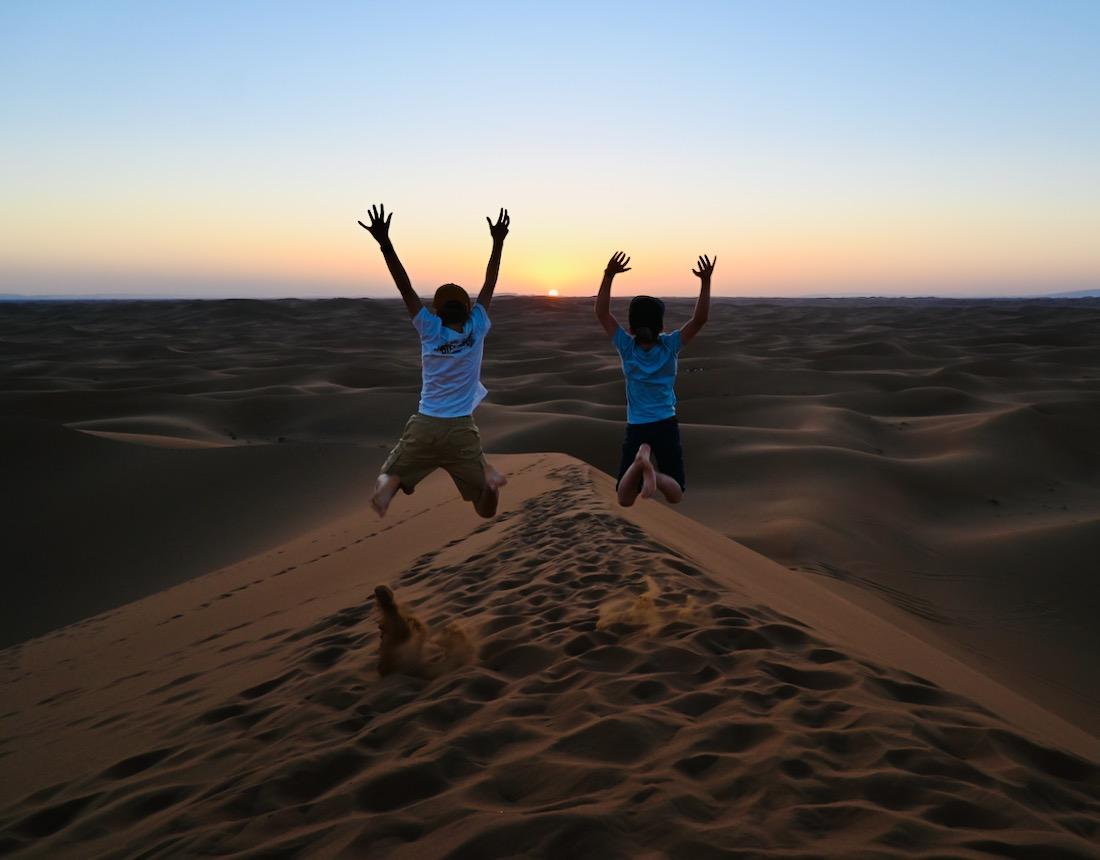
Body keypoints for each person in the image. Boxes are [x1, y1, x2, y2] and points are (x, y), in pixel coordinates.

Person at [359, 203, 510, 518]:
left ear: (437, 311)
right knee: (485, 510)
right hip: (461, 430)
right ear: (467, 309)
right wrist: (498, 243)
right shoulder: (477, 326)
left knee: (387, 476)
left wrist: (385, 243)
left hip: (425, 425)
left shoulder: (429, 328)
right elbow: (489, 284)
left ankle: (390, 485)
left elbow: (405, 287)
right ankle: (487, 484)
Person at [594, 250, 715, 506]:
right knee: (676, 494)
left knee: (624, 499)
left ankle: (641, 462)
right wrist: (705, 281)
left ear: (631, 327)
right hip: (665, 424)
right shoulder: (670, 346)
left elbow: (602, 313)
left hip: (637, 426)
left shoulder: (626, 347)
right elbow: (700, 319)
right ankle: (655, 476)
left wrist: (608, 275)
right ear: (660, 326)